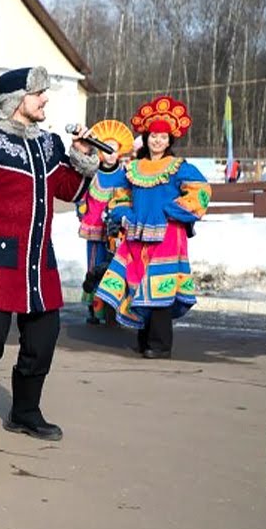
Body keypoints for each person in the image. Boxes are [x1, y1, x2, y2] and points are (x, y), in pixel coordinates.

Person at [0, 66, 99, 450]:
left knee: (43, 341)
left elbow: (70, 190)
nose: (44, 99)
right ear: (17, 101)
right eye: (38, 94)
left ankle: (25, 412)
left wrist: (81, 157)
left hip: (39, 263)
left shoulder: (49, 144)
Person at [94, 96, 209, 359]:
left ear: (170, 141)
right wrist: (124, 213)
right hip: (137, 234)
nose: (158, 141)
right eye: (153, 136)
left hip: (168, 234)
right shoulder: (133, 168)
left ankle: (159, 344)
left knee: (161, 286)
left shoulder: (178, 167)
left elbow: (201, 191)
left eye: (163, 137)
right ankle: (145, 339)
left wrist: (172, 211)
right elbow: (119, 195)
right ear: (146, 138)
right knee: (137, 284)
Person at [75, 120, 133, 324]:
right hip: (93, 228)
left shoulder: (125, 174)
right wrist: (82, 211)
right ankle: (94, 307)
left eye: (113, 150)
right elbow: (81, 195)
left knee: (114, 267)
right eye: (105, 149)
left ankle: (112, 307)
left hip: (115, 232)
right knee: (94, 266)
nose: (109, 154)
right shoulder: (93, 173)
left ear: (120, 152)